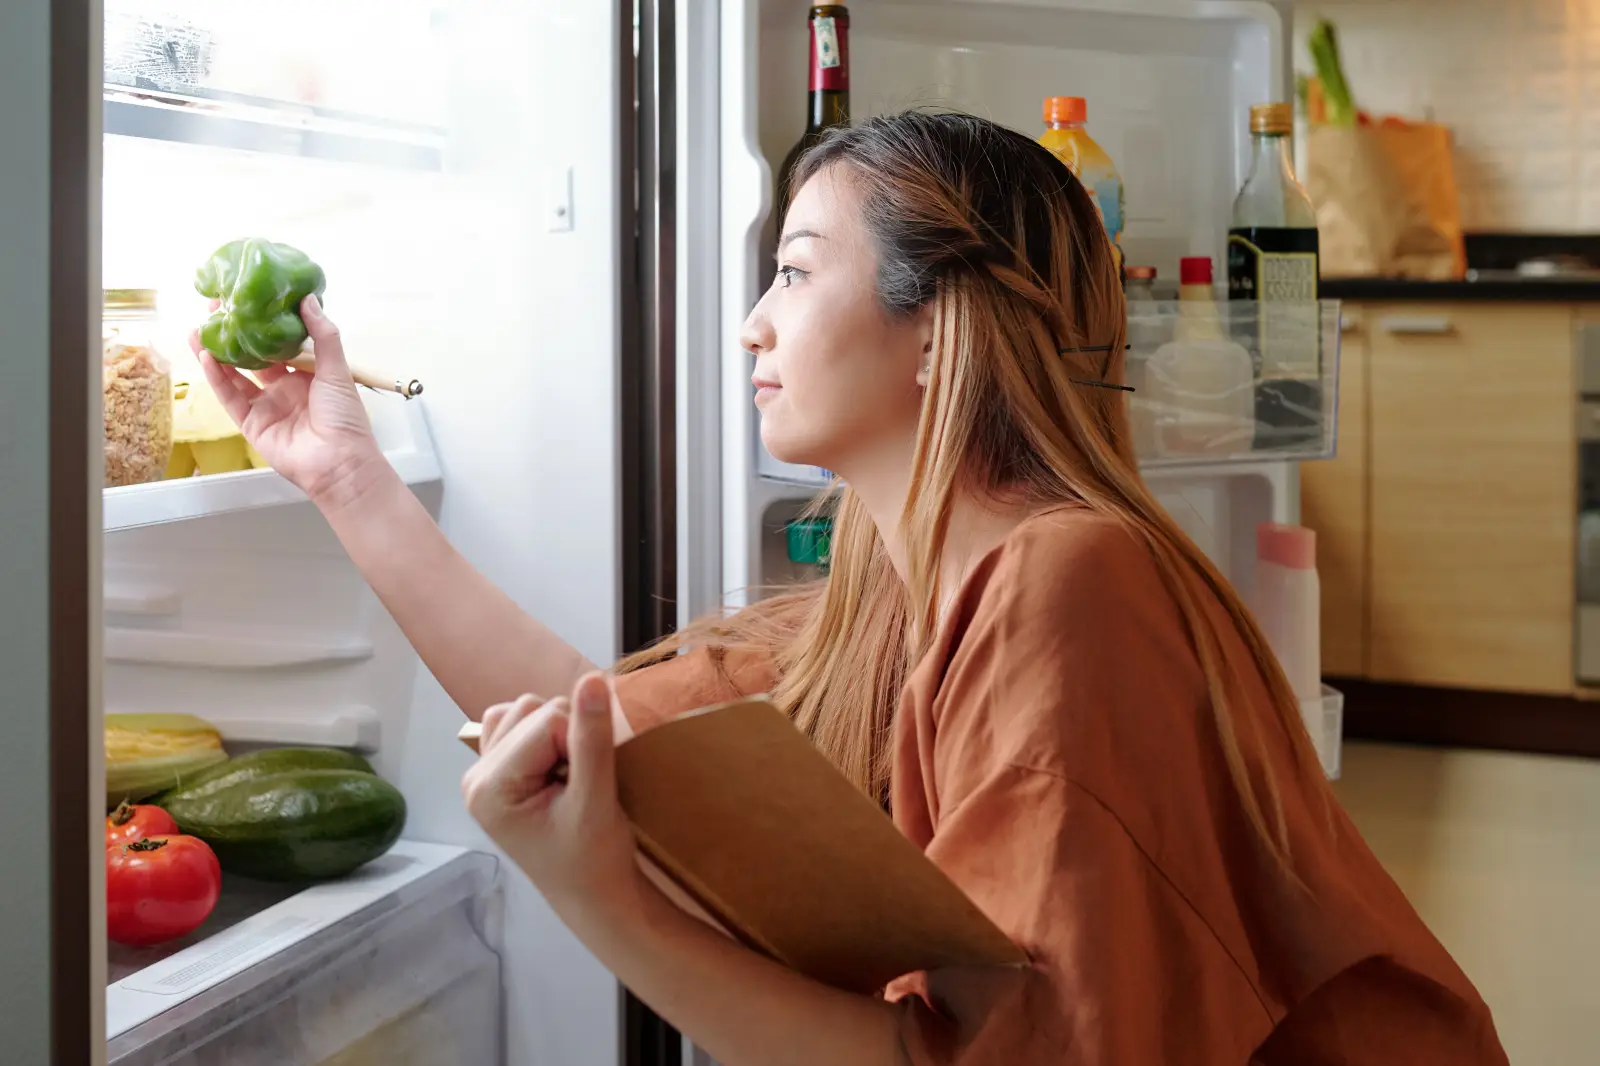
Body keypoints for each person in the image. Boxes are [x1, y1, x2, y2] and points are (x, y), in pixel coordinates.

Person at [193, 110, 1508, 1066]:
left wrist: (599, 895)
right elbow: (588, 728)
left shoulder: (1069, 582)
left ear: (936, 328)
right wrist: (348, 481)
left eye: (796, 267)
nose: (753, 321)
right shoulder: (897, 598)